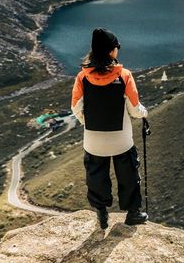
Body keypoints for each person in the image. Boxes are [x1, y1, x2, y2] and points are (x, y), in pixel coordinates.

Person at [71, 27, 149, 230]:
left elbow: (75, 107)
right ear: (111, 51)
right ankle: (133, 213)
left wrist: (86, 122)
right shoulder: (124, 75)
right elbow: (134, 109)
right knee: (128, 174)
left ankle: (102, 214)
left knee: (97, 176)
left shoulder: (82, 77)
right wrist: (144, 113)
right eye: (117, 47)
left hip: (93, 141)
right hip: (121, 140)